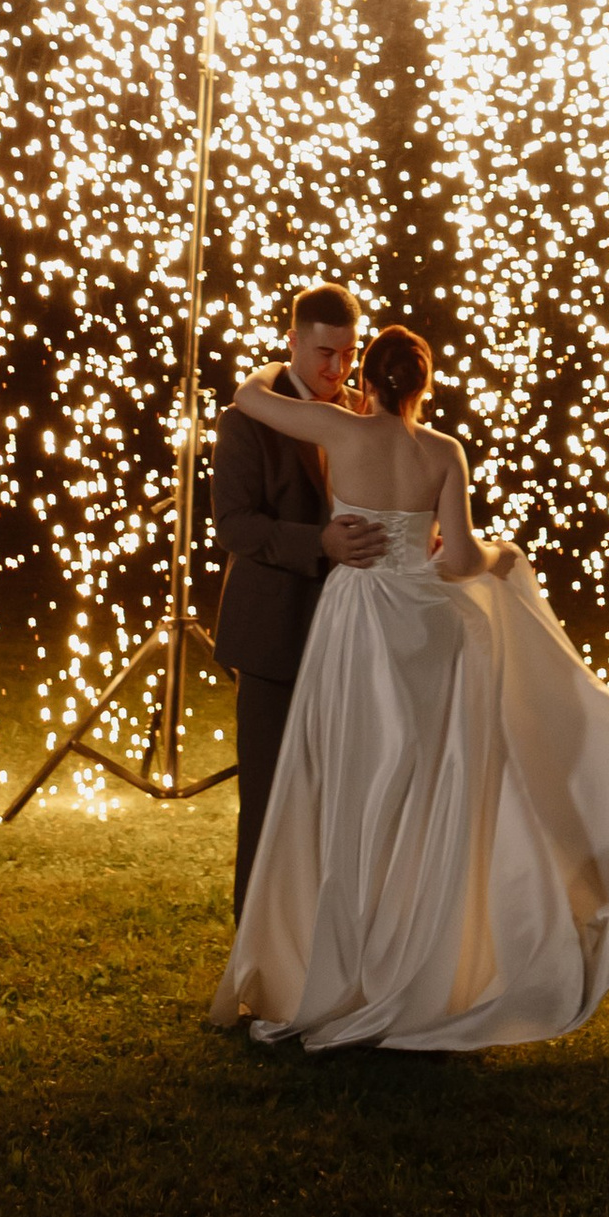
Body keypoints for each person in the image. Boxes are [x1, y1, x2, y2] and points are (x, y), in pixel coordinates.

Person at [212, 319, 609, 1050]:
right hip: (423, 627)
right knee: (422, 787)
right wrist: (501, 556)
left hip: (356, 622)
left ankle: (335, 959)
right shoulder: (444, 451)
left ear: (368, 382)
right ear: (424, 385)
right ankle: (416, 957)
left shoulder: (337, 431)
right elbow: (457, 561)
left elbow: (247, 395)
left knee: (349, 784)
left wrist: (266, 370)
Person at [208, 284, 385, 919]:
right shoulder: (248, 417)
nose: (336, 370)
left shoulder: (365, 415)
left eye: (347, 353)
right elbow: (233, 525)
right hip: (274, 636)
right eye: (323, 354)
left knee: (337, 801)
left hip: (352, 639)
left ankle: (321, 945)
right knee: (269, 800)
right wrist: (320, 543)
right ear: (292, 342)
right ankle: (256, 959)